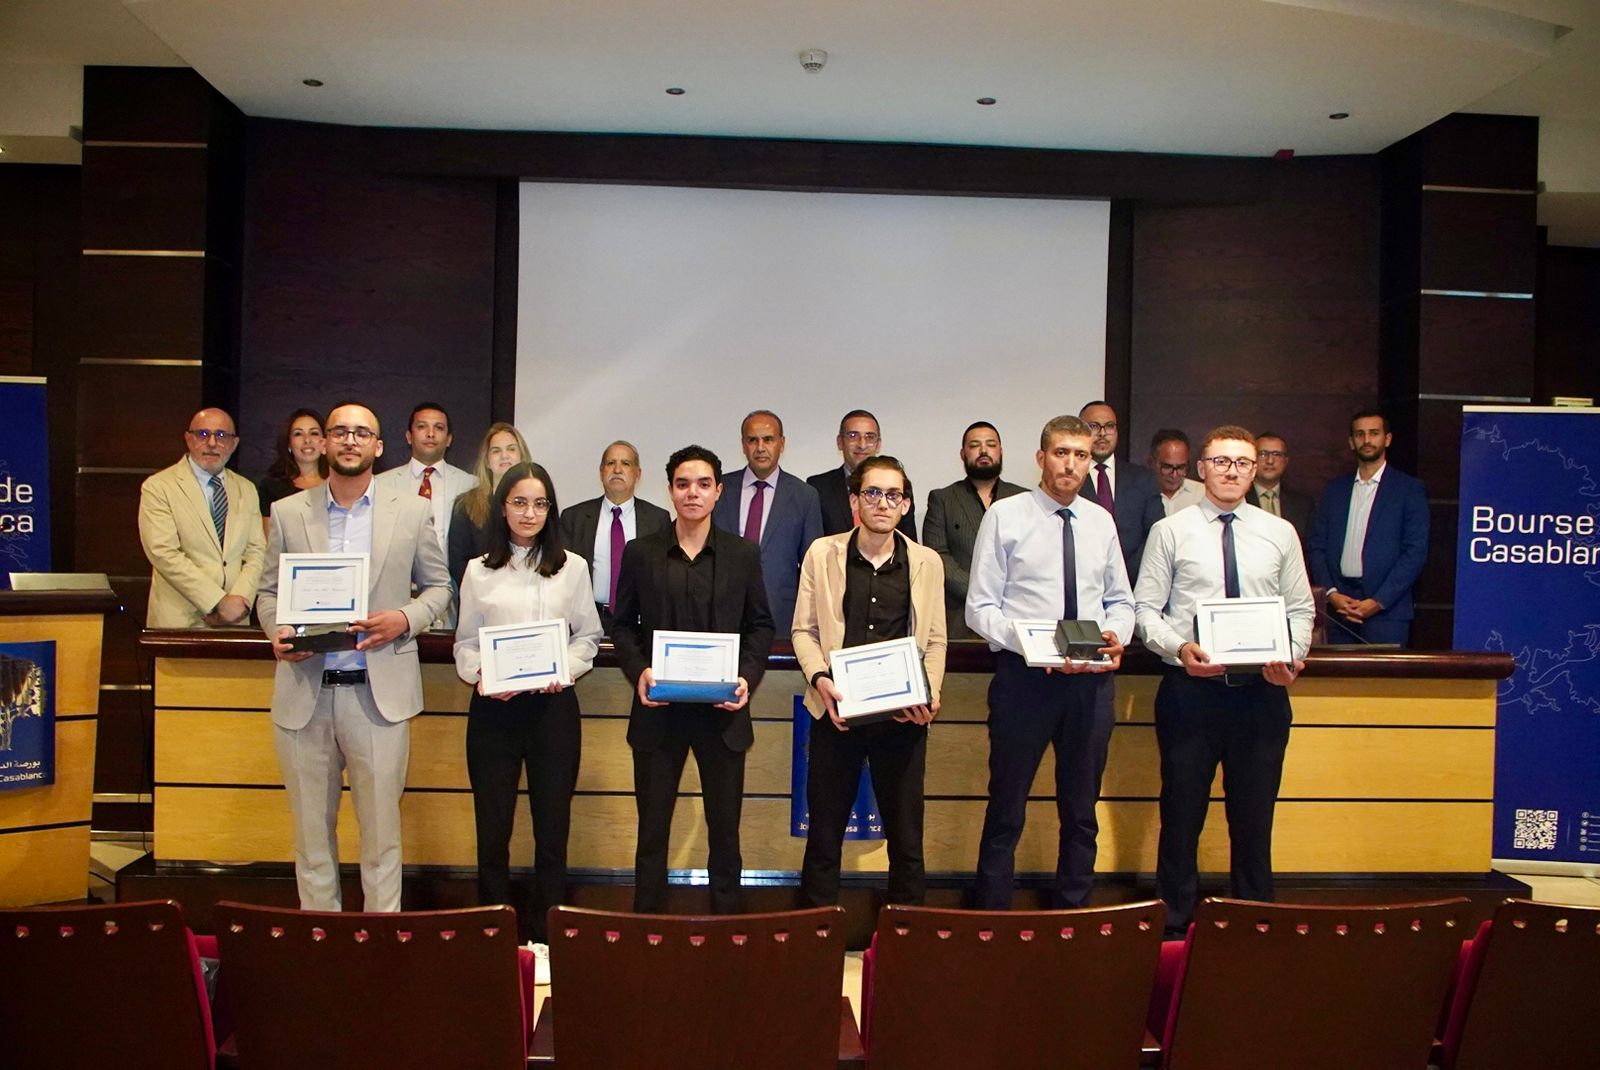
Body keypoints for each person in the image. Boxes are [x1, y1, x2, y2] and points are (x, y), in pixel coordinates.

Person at [256, 402, 452, 912]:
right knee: (310, 840)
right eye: (339, 431)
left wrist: (404, 618)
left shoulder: (411, 511)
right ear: (323, 443)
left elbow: (439, 588)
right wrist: (277, 629)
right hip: (306, 694)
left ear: (378, 447)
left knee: (382, 838)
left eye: (361, 433)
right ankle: (321, 941)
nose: (349, 440)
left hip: (377, 696)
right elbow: (268, 592)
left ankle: (378, 944)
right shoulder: (288, 512)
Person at [1134, 425, 1314, 937]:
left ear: (1255, 470)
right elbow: (1146, 610)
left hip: (1261, 694)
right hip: (1191, 692)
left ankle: (1254, 924)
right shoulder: (1170, 530)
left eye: (1242, 463)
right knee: (1181, 815)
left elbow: (1301, 609)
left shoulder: (1279, 532)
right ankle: (1173, 928)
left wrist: (1292, 656)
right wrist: (1178, 648)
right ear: (1202, 469)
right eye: (1220, 462)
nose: (1231, 471)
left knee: (1254, 819)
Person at [966, 415, 1134, 909]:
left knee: (1081, 810)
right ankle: (992, 914)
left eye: (1081, 455)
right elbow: (980, 608)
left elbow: (1121, 601)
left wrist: (1116, 635)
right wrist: (1030, 645)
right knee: (1007, 805)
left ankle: (1072, 912)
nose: (1071, 464)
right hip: (1026, 681)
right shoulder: (1006, 515)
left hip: (1090, 684)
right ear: (1041, 458)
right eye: (1061, 453)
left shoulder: (1100, 521)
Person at [612, 445, 775, 915]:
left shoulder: (743, 554)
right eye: (683, 484)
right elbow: (621, 625)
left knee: (725, 832)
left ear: (719, 491)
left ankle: (727, 927)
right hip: (659, 712)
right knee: (652, 831)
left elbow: (761, 625)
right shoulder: (641, 553)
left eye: (703, 484)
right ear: (669, 490)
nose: (692, 493)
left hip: (722, 714)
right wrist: (639, 670)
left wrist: (746, 678)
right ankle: (648, 927)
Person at [454, 461, 602, 961]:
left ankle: (546, 937)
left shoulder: (572, 566)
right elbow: (465, 643)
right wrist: (483, 676)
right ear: (503, 507)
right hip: (494, 712)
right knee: (493, 828)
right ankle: (492, 936)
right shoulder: (478, 570)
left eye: (540, 504)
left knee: (552, 829)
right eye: (519, 502)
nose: (529, 513)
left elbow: (588, 637)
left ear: (550, 510)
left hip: (552, 711)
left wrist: (566, 669)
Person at [792, 455, 946, 907]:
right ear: (854, 501)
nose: (883, 503)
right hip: (835, 712)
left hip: (902, 718)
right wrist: (820, 679)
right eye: (873, 493)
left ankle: (905, 936)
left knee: (907, 838)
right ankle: (818, 934)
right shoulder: (823, 554)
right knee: (823, 836)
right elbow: (804, 630)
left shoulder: (926, 562)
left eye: (893, 495)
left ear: (906, 504)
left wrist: (930, 693)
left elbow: (936, 639)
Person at [1309, 411, 1429, 646]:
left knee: (1384, 673)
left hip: (1387, 612)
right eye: (1360, 434)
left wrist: (1379, 601)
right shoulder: (1334, 490)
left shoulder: (1408, 489)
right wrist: (1331, 594)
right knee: (1335, 672)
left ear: (1387, 439)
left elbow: (1415, 552)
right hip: (1338, 611)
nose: (1366, 440)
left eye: (1374, 433)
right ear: (1351, 441)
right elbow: (1317, 546)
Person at [139, 407, 266, 628]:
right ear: (188, 439)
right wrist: (218, 601)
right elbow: (164, 553)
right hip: (179, 621)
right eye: (203, 434)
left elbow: (257, 552)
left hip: (234, 621)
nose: (212, 443)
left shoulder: (246, 489)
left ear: (234, 444)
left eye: (221, 435)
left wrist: (240, 601)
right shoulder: (159, 487)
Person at [711, 410, 824, 633]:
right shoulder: (718, 489)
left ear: (782, 443)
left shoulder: (805, 496)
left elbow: (812, 567)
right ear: (743, 445)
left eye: (768, 439)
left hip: (779, 617)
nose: (760, 447)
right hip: (720, 614)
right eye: (752, 440)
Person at [922, 421, 1026, 640]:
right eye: (975, 445)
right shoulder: (943, 499)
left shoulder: (1024, 499)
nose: (983, 451)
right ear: (963, 454)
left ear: (1001, 452)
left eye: (991, 444)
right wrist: (981, 590)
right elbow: (937, 556)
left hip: (1015, 616)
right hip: (960, 617)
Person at [557, 440, 672, 632]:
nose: (617, 469)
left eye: (625, 463)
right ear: (601, 472)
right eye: (610, 463)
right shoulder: (574, 517)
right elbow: (562, 577)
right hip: (586, 620)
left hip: (638, 623)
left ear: (638, 474)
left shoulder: (657, 519)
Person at [375, 401, 475, 560]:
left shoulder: (470, 485)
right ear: (409, 437)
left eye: (439, 428)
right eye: (422, 426)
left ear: (449, 439)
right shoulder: (381, 484)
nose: (430, 434)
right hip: (398, 572)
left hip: (451, 573)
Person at [1077, 401, 1163, 581]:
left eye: (1109, 426)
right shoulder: (1069, 478)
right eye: (1094, 426)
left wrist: (1125, 575)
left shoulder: (1143, 479)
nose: (1102, 433)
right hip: (1081, 579)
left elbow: (1155, 535)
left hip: (1134, 581)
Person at [807, 410, 918, 539]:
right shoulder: (817, 487)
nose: (862, 444)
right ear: (840, 442)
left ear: (878, 444)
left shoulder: (897, 488)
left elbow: (908, 541)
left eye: (869, 437)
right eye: (853, 436)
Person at [447, 422, 532, 588]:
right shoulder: (466, 505)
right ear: (486, 461)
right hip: (481, 594)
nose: (504, 456)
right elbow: (458, 564)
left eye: (511, 449)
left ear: (522, 456)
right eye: (496, 451)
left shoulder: (537, 503)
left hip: (528, 593)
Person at [1246, 431, 1317, 560]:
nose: (1270, 461)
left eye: (1277, 454)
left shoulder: (1303, 505)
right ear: (1251, 460)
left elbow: (1309, 550)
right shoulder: (1239, 501)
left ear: (1285, 461)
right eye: (1263, 454)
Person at [256, 407, 327, 526]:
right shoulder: (271, 488)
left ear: (324, 441)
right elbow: (270, 535)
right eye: (298, 434)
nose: (307, 440)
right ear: (289, 443)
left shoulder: (337, 484)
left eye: (314, 433)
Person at [1149, 428, 1205, 516]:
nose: (1174, 475)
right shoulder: (1139, 495)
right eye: (1167, 467)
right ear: (1152, 462)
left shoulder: (1203, 494)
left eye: (1181, 467)